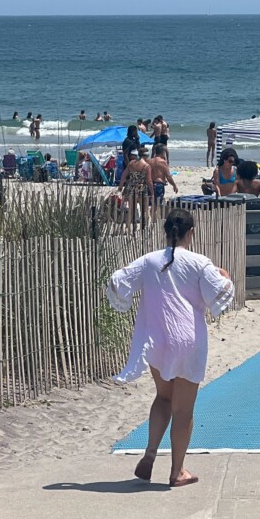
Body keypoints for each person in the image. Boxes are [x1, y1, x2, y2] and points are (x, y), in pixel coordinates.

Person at [105, 208, 235, 488]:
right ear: (191, 233)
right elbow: (220, 293)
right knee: (183, 410)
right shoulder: (200, 262)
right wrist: (225, 276)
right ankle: (177, 471)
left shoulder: (149, 260)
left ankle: (151, 452)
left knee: (163, 397)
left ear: (165, 231)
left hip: (157, 339)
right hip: (188, 339)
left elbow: (118, 281)